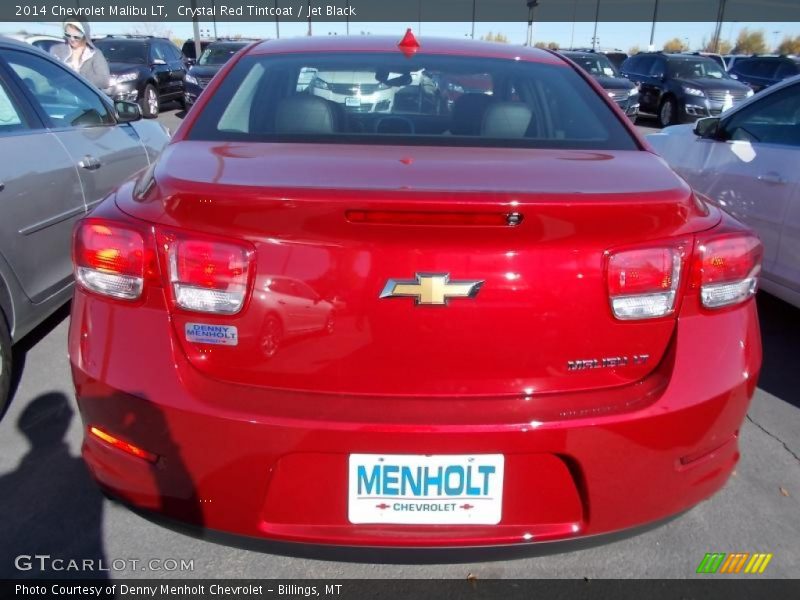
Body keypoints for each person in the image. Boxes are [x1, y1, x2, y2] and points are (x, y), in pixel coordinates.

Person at [50, 20, 110, 90]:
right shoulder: (57, 50)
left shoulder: (95, 54)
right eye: (68, 35)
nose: (72, 39)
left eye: (76, 36)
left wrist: (76, 78)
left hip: (85, 98)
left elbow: (104, 81)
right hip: (62, 97)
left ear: (85, 35)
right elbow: (51, 78)